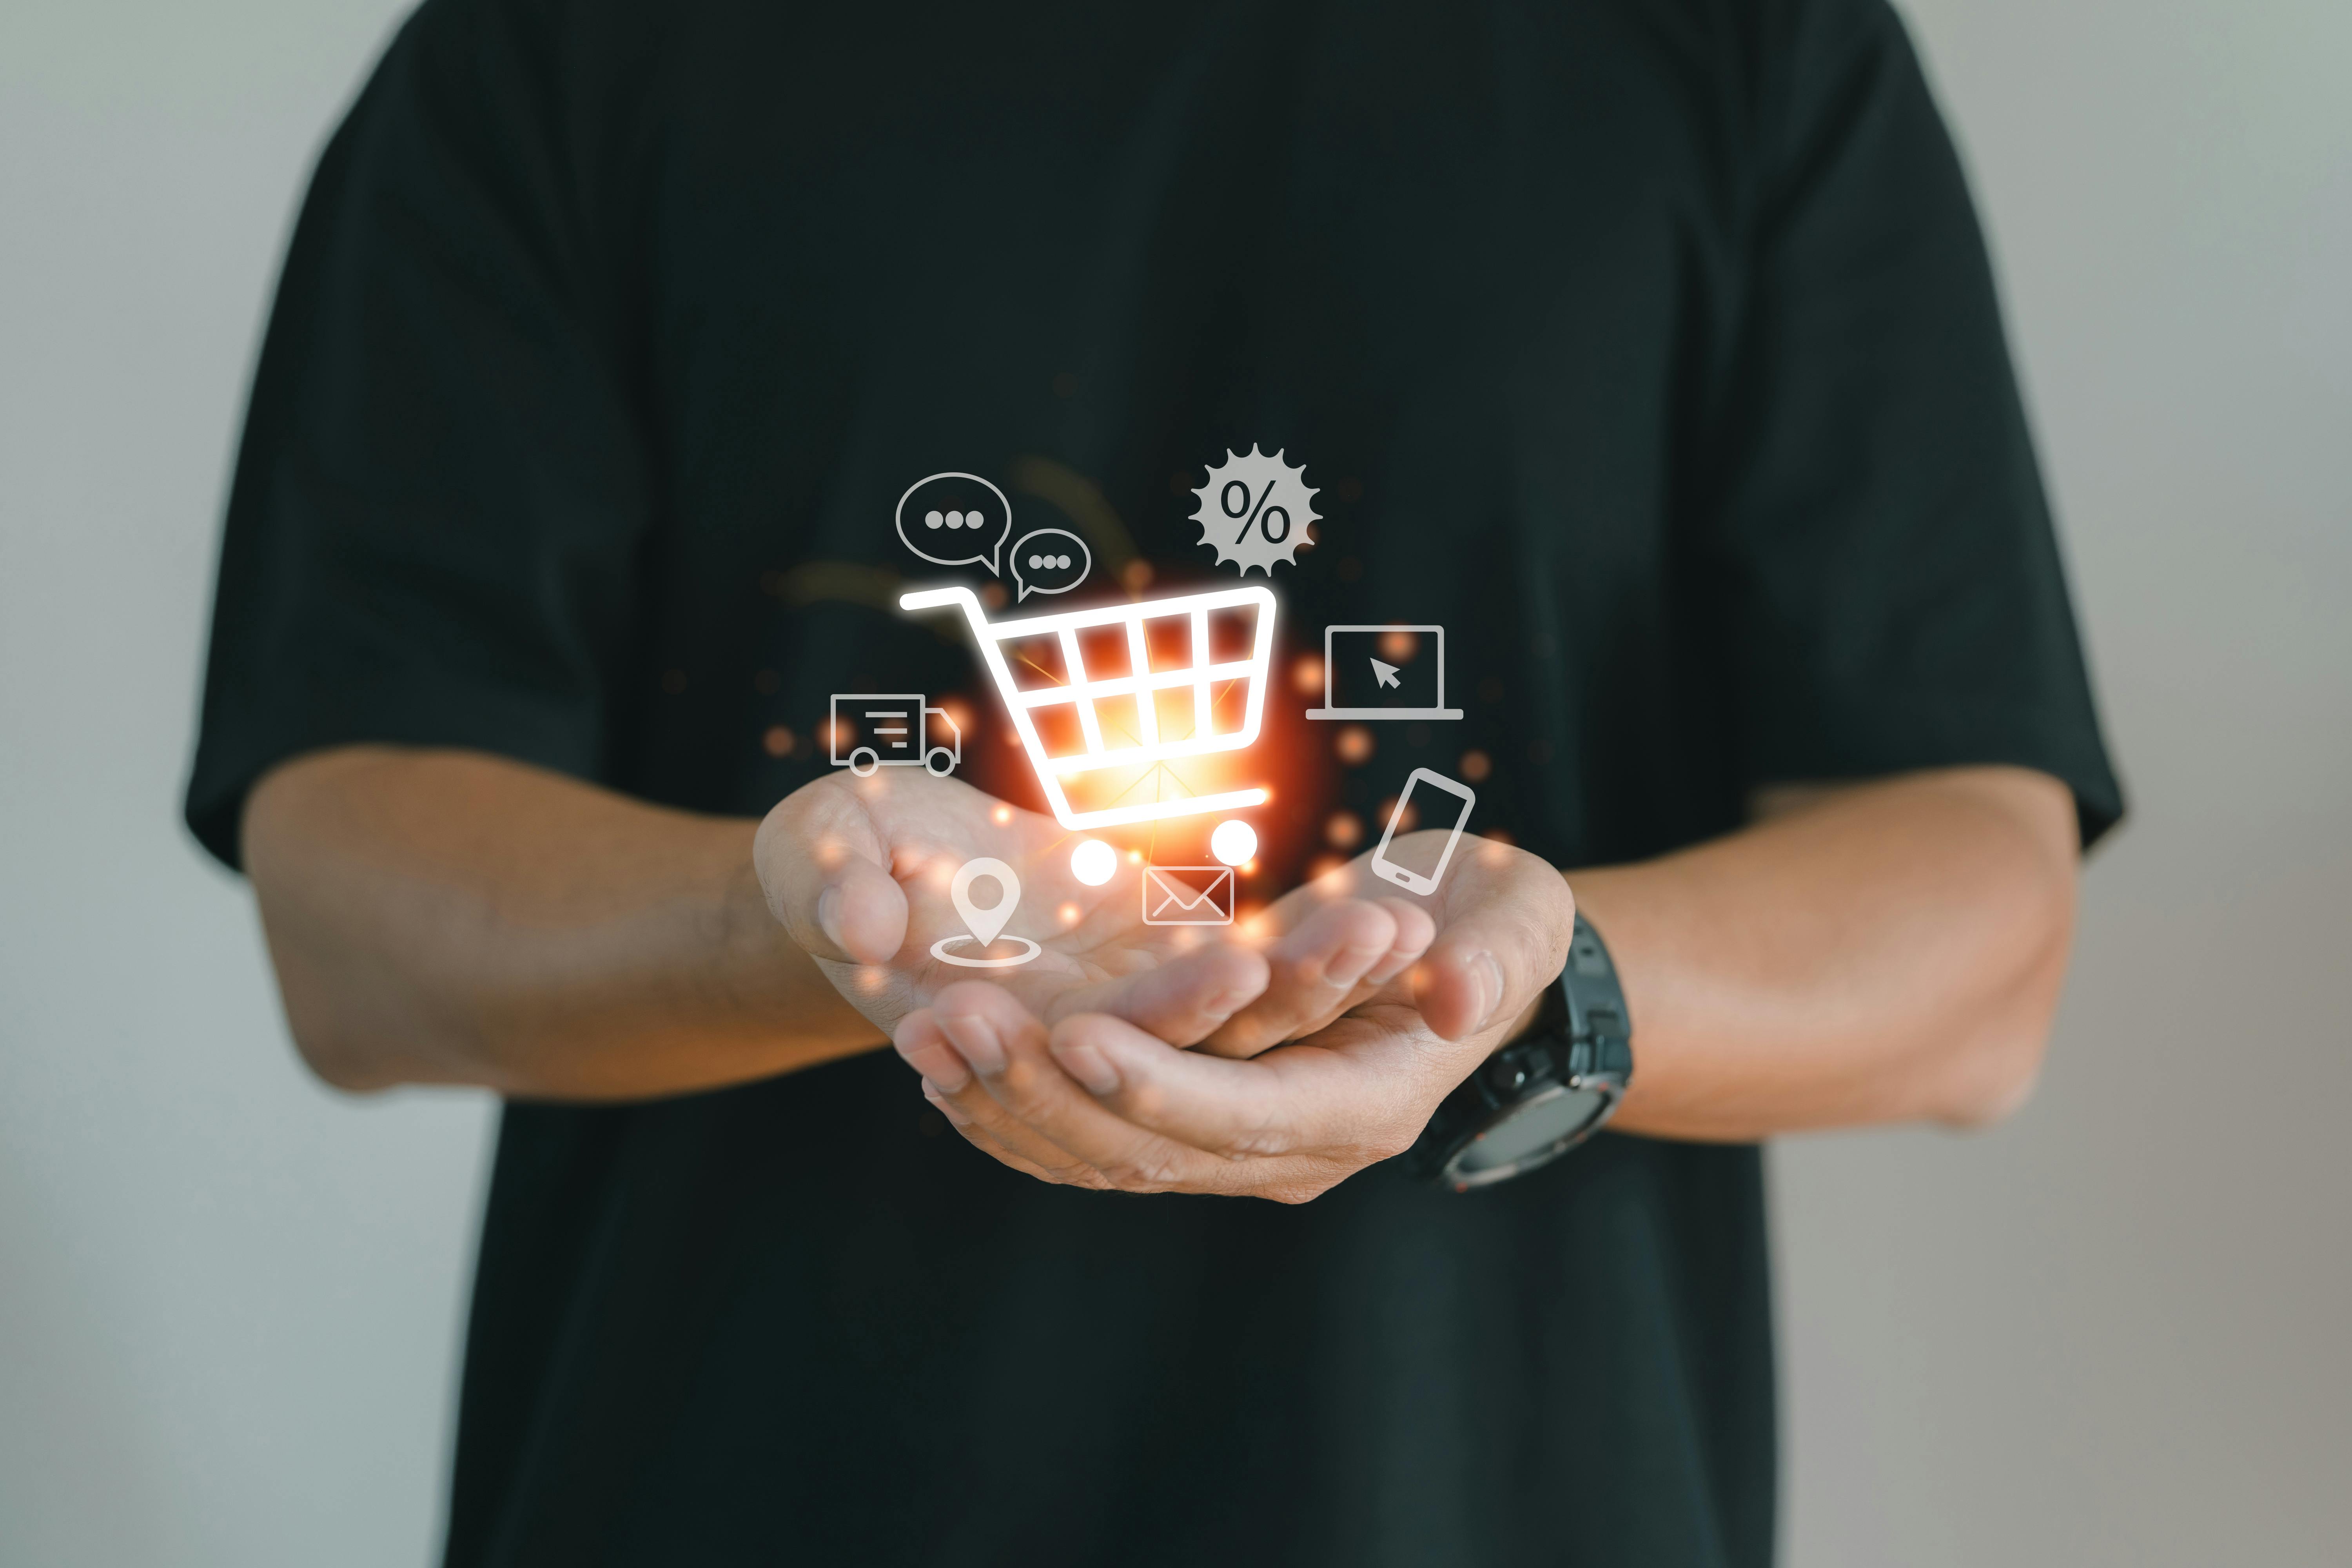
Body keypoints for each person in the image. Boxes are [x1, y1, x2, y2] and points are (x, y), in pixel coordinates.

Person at [185, 0, 2122, 1563]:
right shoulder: (558, 51)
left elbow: (1978, 934)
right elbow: (357, 906)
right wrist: (833, 927)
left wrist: (1519, 994)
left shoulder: (1746, 47)